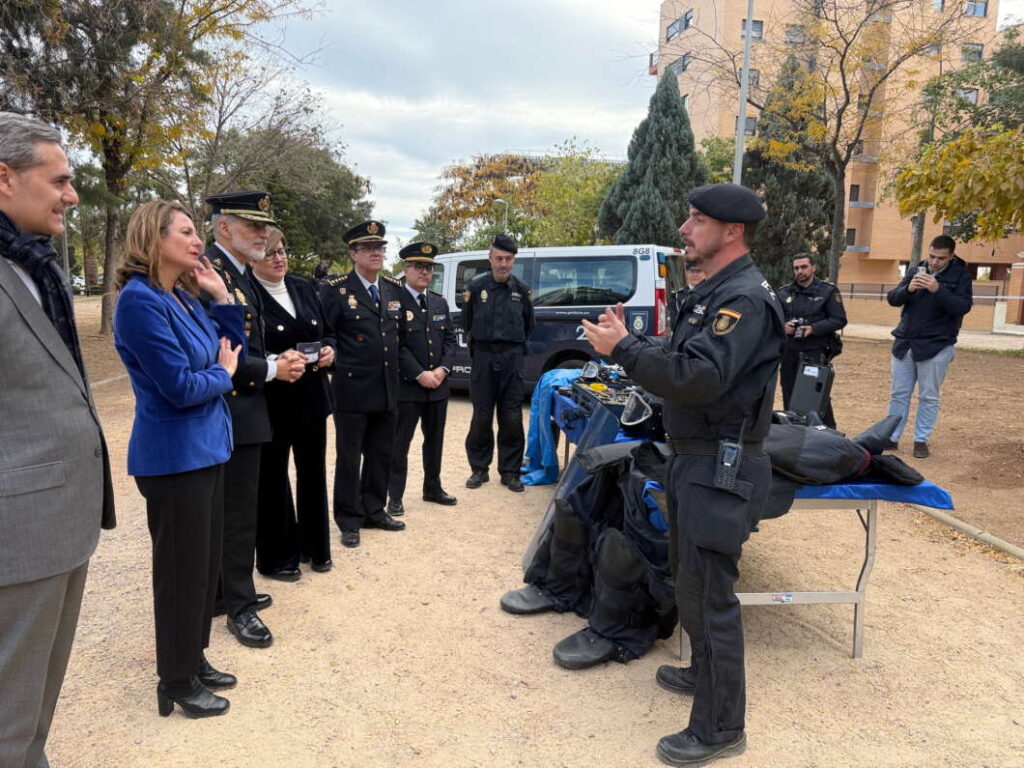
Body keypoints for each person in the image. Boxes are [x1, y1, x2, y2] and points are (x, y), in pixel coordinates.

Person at [583, 183, 784, 767]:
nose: (684, 228)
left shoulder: (742, 299)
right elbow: (681, 357)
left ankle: (722, 728)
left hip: (720, 463)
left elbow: (699, 379)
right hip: (695, 458)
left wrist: (625, 351)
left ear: (732, 232)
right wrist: (636, 342)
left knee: (709, 593)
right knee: (689, 579)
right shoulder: (715, 293)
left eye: (697, 219)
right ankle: (703, 674)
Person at [0, 111, 115, 767]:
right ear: (5, 178)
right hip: (14, 536)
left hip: (57, 527)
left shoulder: (30, 265)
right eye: (61, 180)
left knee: (32, 714)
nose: (72, 195)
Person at [113, 200, 245, 718]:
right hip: (172, 459)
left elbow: (234, 348)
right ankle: (175, 679)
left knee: (203, 567)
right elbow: (180, 387)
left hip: (208, 449)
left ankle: (193, 657)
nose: (198, 242)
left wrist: (220, 295)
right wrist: (225, 377)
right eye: (186, 233)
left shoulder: (184, 298)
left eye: (197, 232)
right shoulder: (139, 301)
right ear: (155, 237)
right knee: (179, 571)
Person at [203, 190, 307, 649]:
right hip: (229, 409)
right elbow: (215, 354)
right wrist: (271, 369)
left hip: (246, 409)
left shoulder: (238, 273)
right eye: (254, 226)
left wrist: (275, 357)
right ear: (224, 228)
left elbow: (248, 342)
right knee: (237, 514)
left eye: (265, 225)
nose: (264, 234)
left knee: (235, 510)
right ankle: (237, 606)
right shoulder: (209, 272)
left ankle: (227, 593)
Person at [251, 228, 336, 577]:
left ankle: (315, 547)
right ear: (256, 256)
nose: (279, 257)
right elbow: (247, 350)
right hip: (273, 399)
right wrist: (275, 361)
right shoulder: (249, 294)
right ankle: (278, 556)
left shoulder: (302, 287)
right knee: (272, 479)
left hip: (312, 396)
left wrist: (331, 348)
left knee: (313, 472)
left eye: (283, 250)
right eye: (271, 252)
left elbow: (326, 331)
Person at [318, 220, 407, 549]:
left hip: (387, 387)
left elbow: (400, 338)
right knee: (349, 456)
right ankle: (348, 517)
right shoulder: (336, 289)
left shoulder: (391, 289)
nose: (376, 253)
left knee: (381, 453)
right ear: (353, 253)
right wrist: (332, 352)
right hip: (353, 388)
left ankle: (374, 509)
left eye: (380, 248)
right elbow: (325, 332)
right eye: (368, 248)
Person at [387, 242, 458, 517]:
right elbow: (396, 344)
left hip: (438, 387)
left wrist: (442, 370)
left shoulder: (439, 301)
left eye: (429, 267)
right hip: (408, 388)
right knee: (399, 444)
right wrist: (419, 373)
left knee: (435, 440)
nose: (424, 272)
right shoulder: (394, 301)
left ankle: (433, 487)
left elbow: (450, 341)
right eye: (419, 266)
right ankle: (395, 495)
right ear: (405, 268)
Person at [885, 235, 972, 458]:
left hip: (937, 346)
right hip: (906, 343)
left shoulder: (961, 275)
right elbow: (893, 298)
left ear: (951, 256)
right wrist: (909, 289)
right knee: (899, 394)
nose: (934, 262)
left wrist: (938, 290)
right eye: (931, 256)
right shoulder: (916, 270)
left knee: (929, 396)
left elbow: (963, 307)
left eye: (940, 258)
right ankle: (891, 437)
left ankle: (921, 440)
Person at [463, 233, 535, 493]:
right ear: (490, 258)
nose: (503, 264)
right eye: (499, 258)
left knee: (512, 416)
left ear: (513, 260)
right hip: (483, 356)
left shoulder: (522, 290)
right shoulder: (475, 288)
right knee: (481, 415)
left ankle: (510, 472)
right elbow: (467, 323)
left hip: (512, 358)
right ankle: (479, 469)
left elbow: (529, 325)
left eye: (508, 259)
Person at [776, 253, 847, 428]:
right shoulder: (784, 293)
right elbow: (773, 319)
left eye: (804, 267)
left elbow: (839, 319)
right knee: (790, 396)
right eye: (796, 268)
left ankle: (829, 435)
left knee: (816, 397)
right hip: (789, 353)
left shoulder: (827, 291)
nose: (800, 271)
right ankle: (794, 434)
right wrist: (783, 326)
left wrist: (813, 329)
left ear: (813, 267)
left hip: (814, 353)